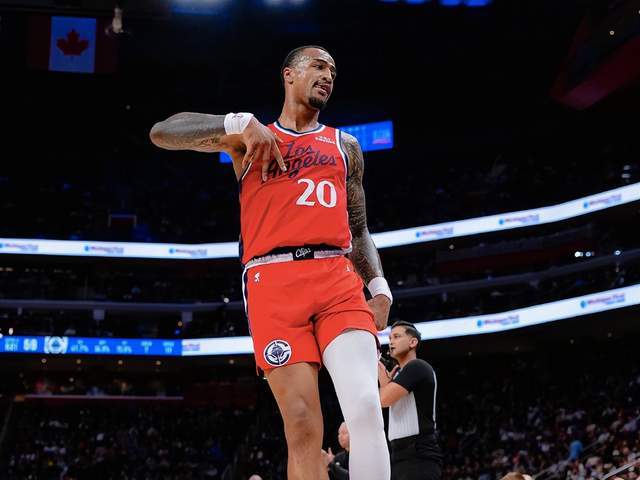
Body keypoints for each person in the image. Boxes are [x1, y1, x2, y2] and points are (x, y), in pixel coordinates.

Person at [150, 45, 392, 480]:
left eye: (333, 71)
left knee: (364, 407)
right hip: (272, 282)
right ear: (289, 74)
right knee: (301, 427)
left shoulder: (346, 146)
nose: (328, 76)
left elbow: (358, 228)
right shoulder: (247, 137)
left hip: (336, 277)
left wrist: (378, 287)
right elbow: (162, 132)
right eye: (318, 66)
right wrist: (237, 122)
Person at [378, 321, 443, 480]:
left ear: (413, 342)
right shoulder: (400, 374)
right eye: (390, 338)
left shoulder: (417, 367)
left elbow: (383, 400)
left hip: (418, 456)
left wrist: (383, 380)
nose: (391, 342)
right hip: (401, 456)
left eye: (397, 337)